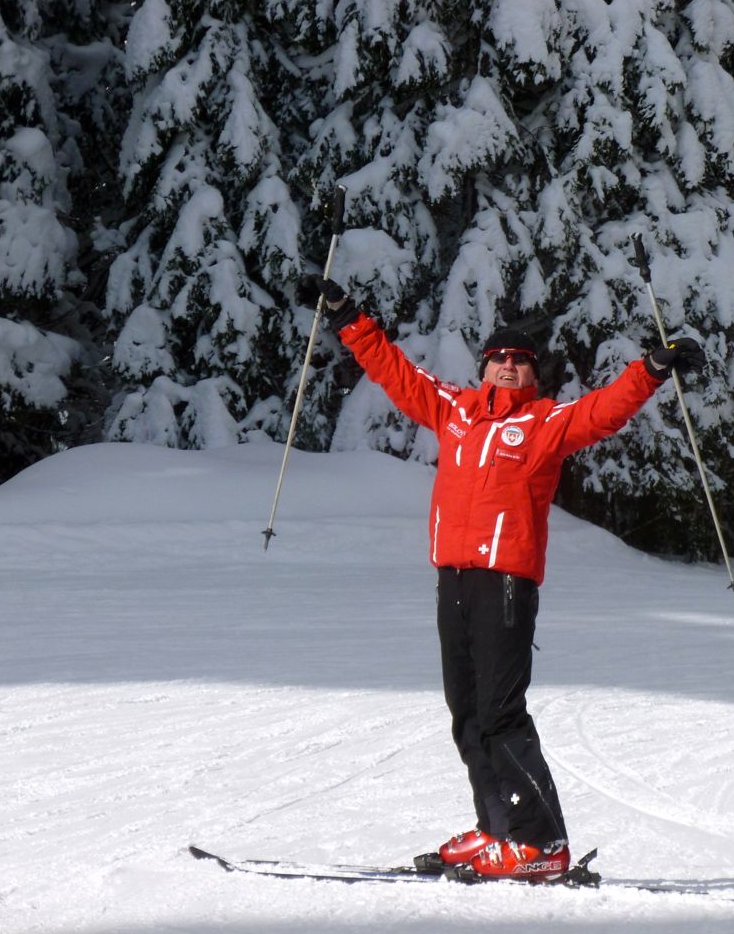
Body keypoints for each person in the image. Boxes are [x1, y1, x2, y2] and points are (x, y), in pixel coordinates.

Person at [297, 275, 705, 880]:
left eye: (520, 361)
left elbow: (600, 411)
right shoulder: (455, 410)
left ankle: (541, 844)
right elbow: (395, 371)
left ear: (532, 374)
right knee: (465, 710)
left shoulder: (543, 425)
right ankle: (498, 830)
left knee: (501, 711)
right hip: (453, 580)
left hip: (506, 585)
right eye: (499, 359)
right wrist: (345, 315)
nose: (509, 367)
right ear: (484, 367)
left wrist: (649, 370)